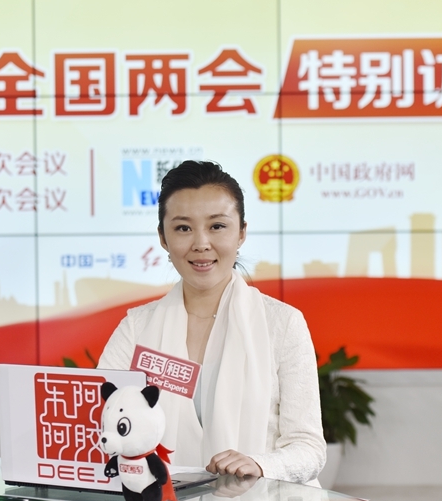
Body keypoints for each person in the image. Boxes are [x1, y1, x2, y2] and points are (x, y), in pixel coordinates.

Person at [98, 161, 325, 483]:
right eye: (183, 228)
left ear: (241, 232)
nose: (201, 243)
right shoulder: (136, 328)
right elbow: (100, 422)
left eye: (217, 226)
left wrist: (260, 465)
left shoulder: (282, 324)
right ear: (163, 237)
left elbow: (309, 447)